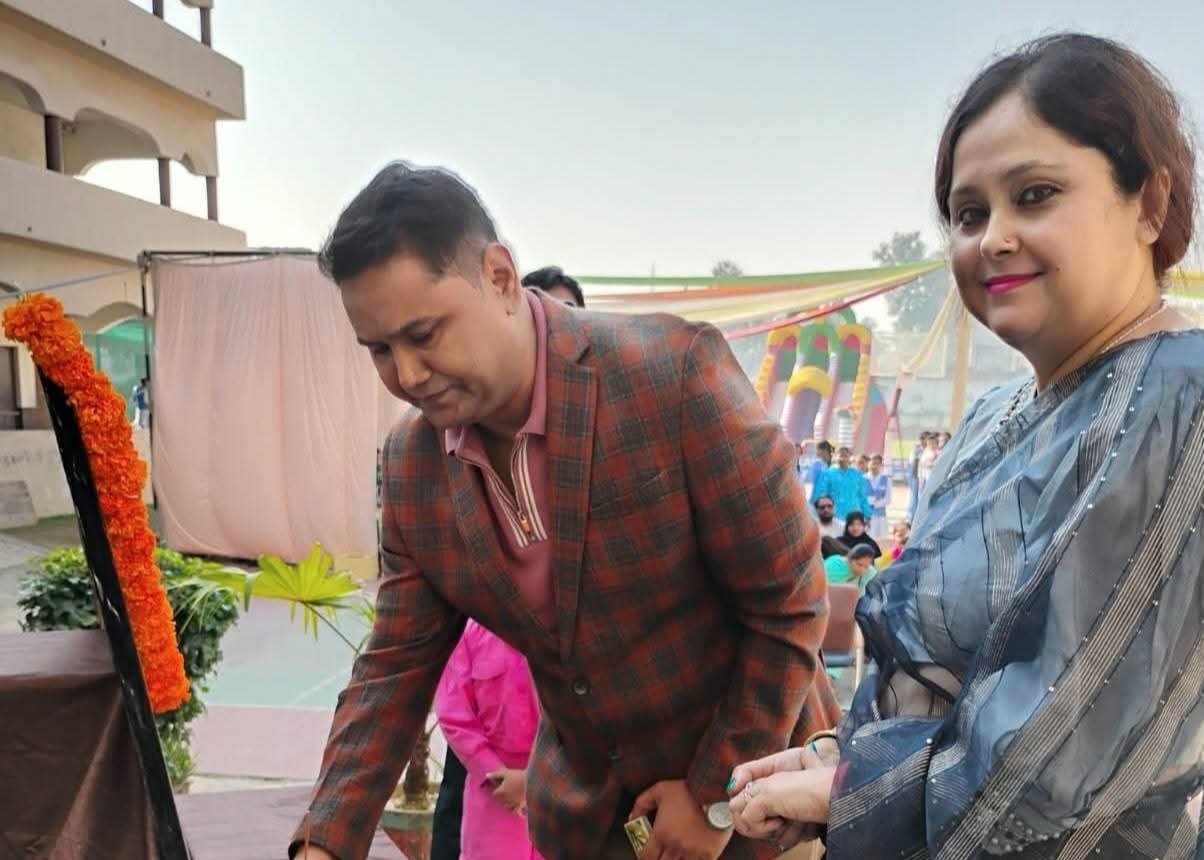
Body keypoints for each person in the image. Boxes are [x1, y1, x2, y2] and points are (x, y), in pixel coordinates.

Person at [727, 33, 1203, 858]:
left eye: (1036, 195)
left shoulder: (1178, 398)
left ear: (1150, 203)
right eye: (969, 213)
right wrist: (835, 760)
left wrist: (846, 791)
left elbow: (1058, 753)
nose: (993, 239)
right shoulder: (992, 415)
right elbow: (940, 679)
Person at [291, 162, 841, 860]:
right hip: (590, 822)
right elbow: (393, 669)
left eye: (423, 334)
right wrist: (324, 845)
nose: (407, 374)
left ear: (498, 277)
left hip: (760, 799)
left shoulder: (672, 374)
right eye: (379, 350)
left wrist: (712, 797)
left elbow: (789, 603)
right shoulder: (413, 465)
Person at [431, 269, 589, 860]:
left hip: (567, 778)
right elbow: (450, 699)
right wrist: (494, 769)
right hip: (489, 777)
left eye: (569, 314)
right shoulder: (464, 428)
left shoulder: (588, 430)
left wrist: (538, 776)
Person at [435, 620, 545, 860]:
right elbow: (453, 712)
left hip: (556, 790)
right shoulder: (471, 631)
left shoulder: (560, 629)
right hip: (493, 792)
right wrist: (493, 772)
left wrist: (534, 781)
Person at [812, 446, 870, 521]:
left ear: (850, 457)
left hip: (853, 516)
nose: (843, 456)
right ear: (835, 456)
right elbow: (820, 495)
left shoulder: (856, 474)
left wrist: (867, 515)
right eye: (840, 453)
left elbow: (862, 496)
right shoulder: (827, 474)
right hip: (834, 517)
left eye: (846, 454)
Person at [865, 454, 890, 540]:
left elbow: (888, 499)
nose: (874, 466)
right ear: (868, 464)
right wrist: (872, 501)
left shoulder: (886, 479)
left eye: (877, 464)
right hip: (866, 516)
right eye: (873, 463)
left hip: (880, 516)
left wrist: (874, 504)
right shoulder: (862, 479)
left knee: (881, 540)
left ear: (881, 466)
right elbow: (860, 497)